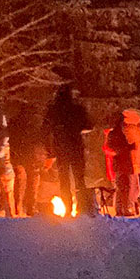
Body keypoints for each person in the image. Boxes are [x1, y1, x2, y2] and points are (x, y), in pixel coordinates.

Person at [44, 83, 91, 215]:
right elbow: (88, 125)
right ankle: (82, 207)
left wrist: (49, 150)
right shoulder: (77, 109)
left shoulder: (53, 110)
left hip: (60, 147)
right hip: (76, 145)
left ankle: (68, 208)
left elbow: (45, 129)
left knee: (63, 180)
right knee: (79, 179)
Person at [103, 108, 140, 216]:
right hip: (121, 165)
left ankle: (123, 208)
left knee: (126, 188)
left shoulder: (121, 133)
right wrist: (128, 147)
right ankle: (121, 209)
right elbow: (112, 148)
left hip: (126, 164)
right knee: (122, 188)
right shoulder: (115, 134)